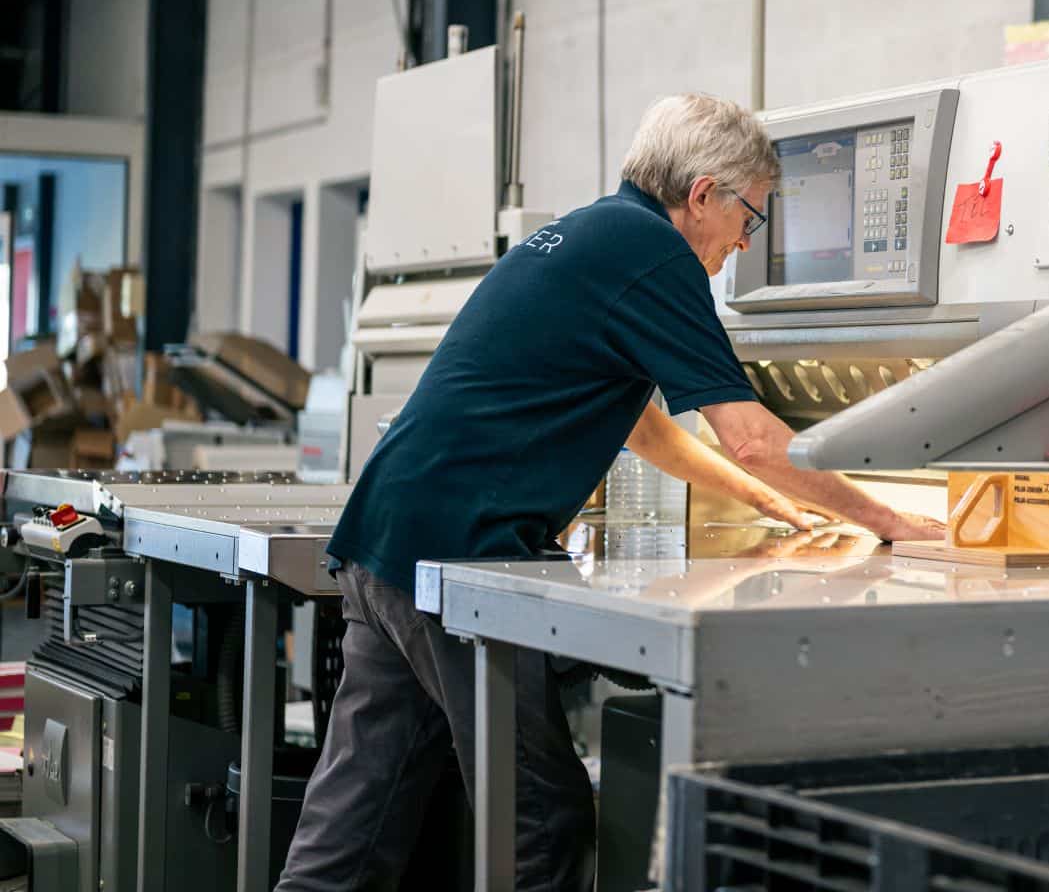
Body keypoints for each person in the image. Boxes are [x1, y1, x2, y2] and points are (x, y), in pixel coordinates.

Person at [276, 93, 945, 892]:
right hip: (452, 555)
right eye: (749, 219)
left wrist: (771, 503)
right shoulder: (653, 252)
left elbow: (645, 429)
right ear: (703, 195)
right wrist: (890, 520)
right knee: (542, 819)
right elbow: (754, 436)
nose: (741, 244)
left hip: (386, 538)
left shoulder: (595, 230)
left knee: (353, 827)